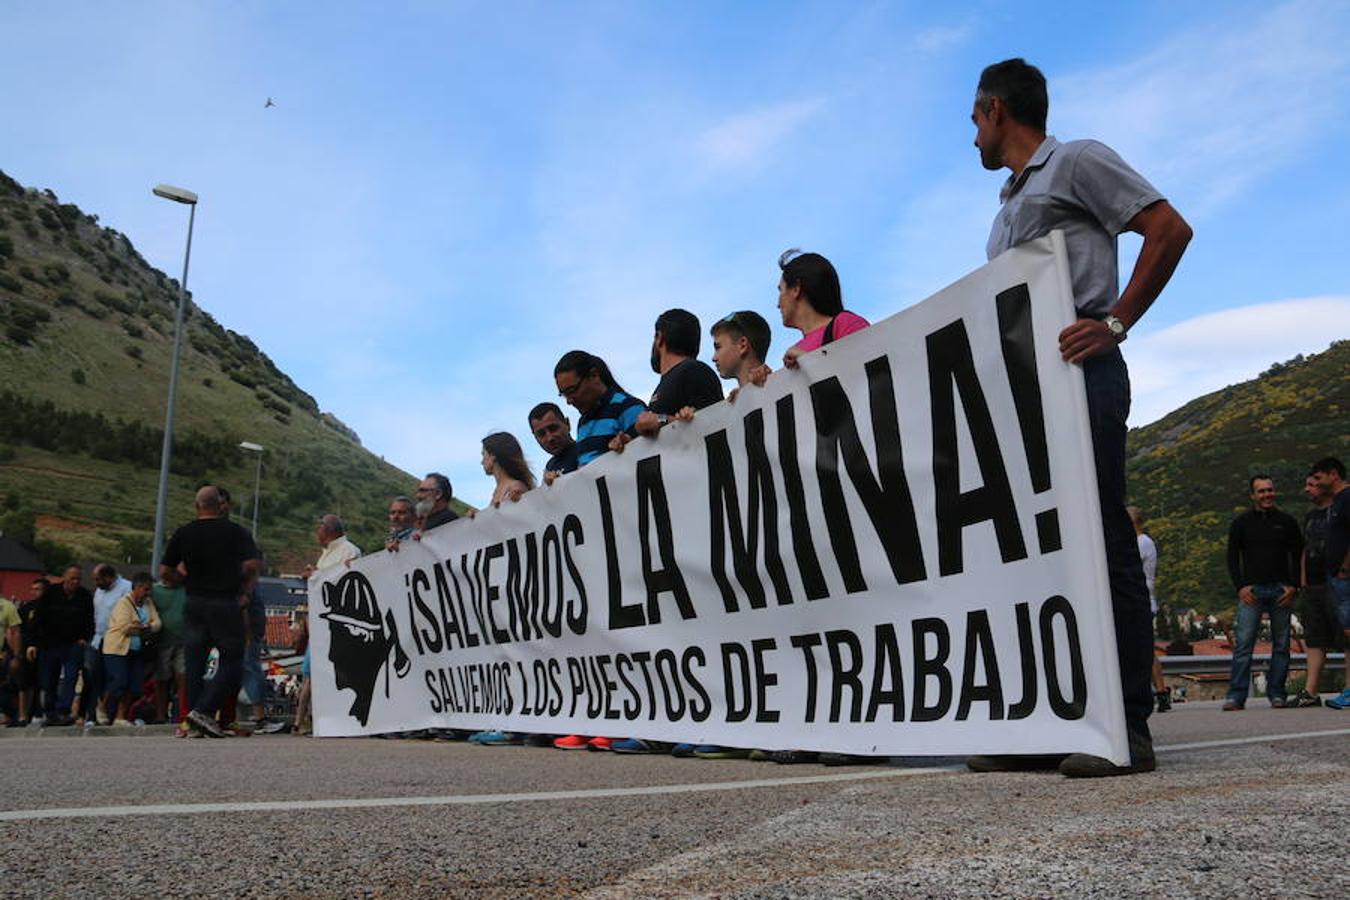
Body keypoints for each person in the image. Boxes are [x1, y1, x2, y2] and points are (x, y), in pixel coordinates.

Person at [965, 58, 1192, 777]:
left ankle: (1125, 725)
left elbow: (1167, 229)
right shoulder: (1007, 206)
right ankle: (1045, 721)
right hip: (1023, 390)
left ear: (996, 109)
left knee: (1100, 536)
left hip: (1080, 369)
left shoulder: (1079, 160)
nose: (971, 134)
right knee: (1034, 548)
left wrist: (1117, 323)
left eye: (974, 119)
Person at [161, 485, 262, 738]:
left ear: (197, 506)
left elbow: (165, 571)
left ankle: (192, 722)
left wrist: (184, 580)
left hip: (194, 602)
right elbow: (252, 565)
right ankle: (203, 712)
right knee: (234, 660)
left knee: (194, 664)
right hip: (224, 602)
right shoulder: (235, 532)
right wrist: (244, 592)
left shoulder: (184, 533)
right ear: (220, 505)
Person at [1224, 475, 1302, 710]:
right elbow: (1231, 558)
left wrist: (1294, 586)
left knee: (1281, 645)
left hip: (1281, 590)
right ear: (1252, 496)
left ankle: (1277, 693)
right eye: (1261, 491)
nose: (1267, 495)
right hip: (1252, 591)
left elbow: (1299, 556)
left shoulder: (1287, 522)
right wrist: (1240, 587)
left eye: (1269, 490)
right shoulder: (1241, 523)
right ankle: (1236, 696)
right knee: (1244, 644)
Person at [748, 250, 869, 388]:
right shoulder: (795, 352)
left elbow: (867, 377)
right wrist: (760, 387)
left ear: (796, 289)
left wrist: (810, 361)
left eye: (781, 290)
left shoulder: (845, 323)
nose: (778, 304)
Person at [622, 308, 723, 444]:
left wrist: (660, 420)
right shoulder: (676, 378)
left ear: (659, 338)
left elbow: (715, 428)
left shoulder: (695, 371)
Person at [1293, 468, 1341, 706]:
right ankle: (1310, 692)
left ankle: (1348, 691)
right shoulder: (1311, 516)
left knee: (1345, 635)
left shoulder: (1340, 511)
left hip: (1337, 582)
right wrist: (1303, 580)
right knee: (1314, 638)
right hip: (1312, 585)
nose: (1307, 489)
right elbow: (1306, 548)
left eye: (1312, 484)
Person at [553, 350, 646, 468]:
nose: (569, 401)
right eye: (564, 394)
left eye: (572, 391)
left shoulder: (628, 407)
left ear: (594, 375)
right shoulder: (583, 422)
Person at [27, 565, 93, 726]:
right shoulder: (51, 593)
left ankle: (64, 710)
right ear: (64, 577)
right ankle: (50, 713)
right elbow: (38, 618)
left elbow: (90, 620)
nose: (75, 582)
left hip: (73, 644)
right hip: (49, 644)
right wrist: (34, 643)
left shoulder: (84, 596)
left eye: (78, 579)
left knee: (71, 677)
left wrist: (85, 638)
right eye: (72, 578)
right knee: (49, 680)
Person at [1312, 457, 1350, 709]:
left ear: (1333, 474)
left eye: (1319, 477)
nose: (1316, 482)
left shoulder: (1347, 498)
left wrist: (1345, 567)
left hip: (1345, 576)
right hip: (1337, 576)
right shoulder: (1338, 501)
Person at [101, 572, 160, 726]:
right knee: (119, 681)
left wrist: (143, 626)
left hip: (136, 650)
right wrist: (146, 627)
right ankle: (102, 707)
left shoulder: (148, 603)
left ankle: (120, 716)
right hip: (117, 649)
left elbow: (158, 623)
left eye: (149, 590)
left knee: (134, 685)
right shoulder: (123, 603)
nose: (148, 593)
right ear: (137, 588)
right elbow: (124, 627)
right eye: (146, 589)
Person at [1128, 507, 1170, 713]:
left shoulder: (1142, 542)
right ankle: (1160, 692)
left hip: (1141, 601)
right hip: (1142, 600)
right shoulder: (1144, 542)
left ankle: (1160, 691)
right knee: (1146, 649)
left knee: (1145, 650)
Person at [152, 566, 188, 724]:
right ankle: (160, 715)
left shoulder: (185, 589)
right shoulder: (154, 591)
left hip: (183, 641)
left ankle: (182, 714)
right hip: (162, 642)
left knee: (183, 677)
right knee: (161, 679)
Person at [710, 310, 772, 396]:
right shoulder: (734, 401)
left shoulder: (782, 387)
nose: (713, 358)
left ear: (742, 345)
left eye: (718, 347)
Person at [527, 402, 579, 485]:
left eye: (553, 429)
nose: (550, 438)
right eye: (541, 434)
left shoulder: (586, 450)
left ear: (567, 424)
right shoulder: (549, 467)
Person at [481, 432, 535, 506]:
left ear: (493, 455)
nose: (482, 462)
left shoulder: (515, 488)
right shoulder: (497, 491)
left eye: (483, 454)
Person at [302, 515, 361, 580]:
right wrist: (314, 572)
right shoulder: (328, 550)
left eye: (320, 527)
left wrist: (314, 575)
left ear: (331, 530)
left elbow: (343, 580)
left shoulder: (350, 551)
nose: (317, 531)